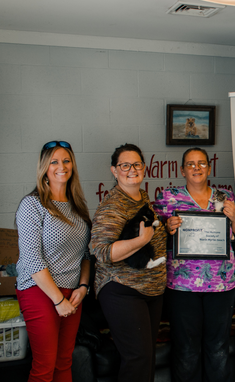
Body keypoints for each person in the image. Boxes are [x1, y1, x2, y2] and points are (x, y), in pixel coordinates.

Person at [153, 147, 235, 382]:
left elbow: (233, 236)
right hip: (182, 285)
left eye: (201, 163)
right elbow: (152, 238)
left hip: (221, 284)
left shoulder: (224, 197)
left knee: (218, 347)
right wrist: (166, 228)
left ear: (209, 168)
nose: (196, 168)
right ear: (182, 170)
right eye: (190, 164)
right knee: (186, 348)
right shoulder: (167, 198)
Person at [15, 140, 91, 382]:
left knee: (64, 361)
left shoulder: (78, 206)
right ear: (44, 167)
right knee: (44, 365)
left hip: (71, 293)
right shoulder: (32, 205)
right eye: (54, 161)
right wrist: (58, 300)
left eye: (66, 160)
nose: (62, 166)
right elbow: (32, 260)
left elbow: (86, 255)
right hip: (40, 290)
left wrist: (83, 287)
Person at [90, 143, 167, 382]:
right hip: (122, 289)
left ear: (144, 168)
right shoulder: (112, 206)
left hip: (150, 289)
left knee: (146, 358)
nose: (132, 169)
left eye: (137, 164)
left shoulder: (142, 198)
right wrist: (141, 240)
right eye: (125, 165)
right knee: (138, 360)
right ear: (114, 171)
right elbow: (100, 251)